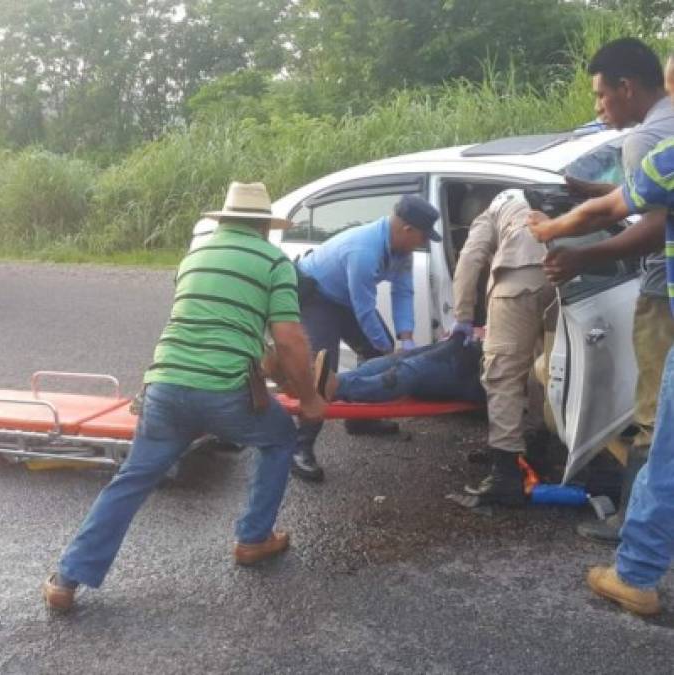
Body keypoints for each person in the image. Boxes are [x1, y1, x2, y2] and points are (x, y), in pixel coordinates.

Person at [42, 182, 327, 613]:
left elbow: (212, 321)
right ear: (264, 227)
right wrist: (309, 400)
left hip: (165, 386)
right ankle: (253, 539)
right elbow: (289, 340)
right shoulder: (273, 261)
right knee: (280, 437)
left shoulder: (195, 256)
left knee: (133, 479)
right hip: (225, 392)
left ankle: (68, 578)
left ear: (227, 221)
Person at [527, 59, 674, 614]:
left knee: (666, 450)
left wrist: (553, 229)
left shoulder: (662, 151)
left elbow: (618, 209)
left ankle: (634, 573)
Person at [291, 195, 441, 481]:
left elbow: (403, 293)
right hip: (318, 297)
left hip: (345, 297)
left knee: (376, 349)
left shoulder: (402, 252)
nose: (423, 243)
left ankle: (360, 418)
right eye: (423, 237)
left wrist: (405, 339)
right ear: (407, 230)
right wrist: (387, 348)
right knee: (324, 369)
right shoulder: (364, 250)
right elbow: (364, 309)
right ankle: (300, 448)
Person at [448, 189, 554, 509]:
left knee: (502, 371)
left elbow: (471, 257)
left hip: (518, 275)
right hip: (562, 272)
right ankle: (536, 447)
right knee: (546, 366)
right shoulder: (537, 197)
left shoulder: (490, 212)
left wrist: (462, 317)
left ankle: (505, 472)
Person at [268, 332, 485, 404]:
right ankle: (312, 383)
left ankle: (334, 386)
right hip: (475, 350)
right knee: (390, 361)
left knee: (409, 370)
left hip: (480, 372)